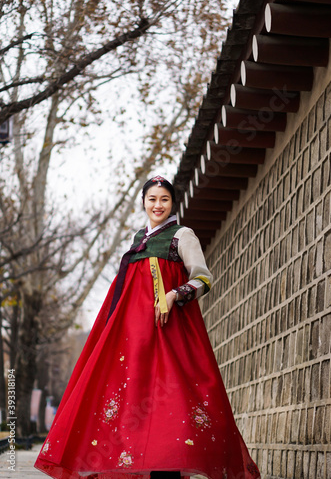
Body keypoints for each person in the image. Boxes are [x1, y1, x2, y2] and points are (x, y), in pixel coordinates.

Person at [35, 175, 260, 479]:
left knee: (174, 400)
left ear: (172, 203)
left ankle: (170, 465)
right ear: (143, 202)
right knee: (132, 401)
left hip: (169, 332)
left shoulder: (183, 235)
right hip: (134, 337)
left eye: (164, 199)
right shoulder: (138, 239)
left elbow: (203, 278)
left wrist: (173, 294)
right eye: (152, 199)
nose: (158, 205)